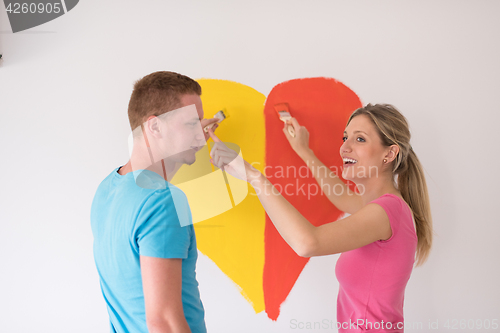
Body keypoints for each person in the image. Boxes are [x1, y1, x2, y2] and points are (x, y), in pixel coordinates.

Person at [208, 103, 433, 332]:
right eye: (345, 137)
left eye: (360, 139)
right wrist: (303, 150)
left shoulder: (385, 212)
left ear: (390, 153)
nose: (345, 147)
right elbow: (340, 197)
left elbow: (307, 242)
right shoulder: (380, 208)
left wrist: (254, 177)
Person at [91, 71, 219, 333]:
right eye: (191, 123)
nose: (200, 133)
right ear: (155, 126)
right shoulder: (162, 202)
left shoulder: (108, 189)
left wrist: (188, 142)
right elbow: (164, 323)